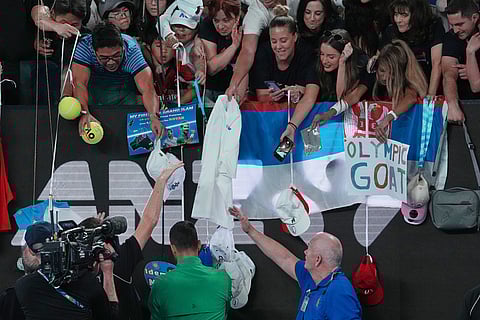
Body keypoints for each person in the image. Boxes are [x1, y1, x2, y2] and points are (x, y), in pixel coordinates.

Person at [78, 161, 184, 320]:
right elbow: (149, 220)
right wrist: (161, 180)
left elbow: (150, 220)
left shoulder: (77, 274)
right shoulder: (119, 261)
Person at [228, 206, 362, 320]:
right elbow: (284, 258)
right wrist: (250, 230)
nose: (305, 252)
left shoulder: (339, 292)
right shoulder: (312, 277)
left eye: (309, 249)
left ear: (317, 260)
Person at [72, 22, 164, 136]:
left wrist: (153, 116)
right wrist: (84, 113)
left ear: (122, 48)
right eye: (104, 58)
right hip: (93, 92)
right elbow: (79, 83)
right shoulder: (85, 47)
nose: (111, 62)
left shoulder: (131, 50)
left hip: (123, 93)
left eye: (116, 55)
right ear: (94, 51)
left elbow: (148, 89)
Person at [15, 222, 120, 320]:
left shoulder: (23, 286)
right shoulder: (88, 283)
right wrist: (107, 272)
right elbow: (111, 316)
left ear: (29, 250)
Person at [249, 7, 320, 144]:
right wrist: (274, 97)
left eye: (283, 40)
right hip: (272, 119)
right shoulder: (263, 53)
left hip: (303, 118)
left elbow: (310, 96)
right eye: (274, 41)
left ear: (295, 37)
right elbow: (261, 96)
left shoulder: (307, 53)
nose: (278, 46)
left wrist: (298, 93)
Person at [149, 220, 232, 320]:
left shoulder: (160, 285)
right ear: (199, 244)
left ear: (173, 248)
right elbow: (225, 312)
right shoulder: (223, 279)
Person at [225, 0, 300, 101]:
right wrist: (233, 85)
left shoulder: (297, 3)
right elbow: (247, 51)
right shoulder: (256, 11)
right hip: (269, 65)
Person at [310, 29, 373, 126]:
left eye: (331, 57)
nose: (324, 61)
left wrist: (342, 62)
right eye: (322, 54)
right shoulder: (318, 65)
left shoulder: (361, 66)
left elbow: (342, 97)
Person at [381, 0, 445, 96]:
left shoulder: (434, 27)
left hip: (429, 84)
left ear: (416, 15)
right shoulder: (390, 31)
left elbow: (437, 63)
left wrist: (430, 97)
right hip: (402, 88)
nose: (398, 20)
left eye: (404, 15)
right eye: (396, 14)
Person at [374, 39, 428, 143]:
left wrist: (388, 117)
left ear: (398, 72)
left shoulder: (408, 81)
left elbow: (411, 98)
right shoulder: (375, 79)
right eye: (382, 71)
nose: (384, 77)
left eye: (391, 73)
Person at [442, 0, 480, 122]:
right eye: (452, 25)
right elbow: (449, 74)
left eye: (460, 24)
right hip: (467, 103)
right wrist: (452, 105)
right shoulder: (451, 37)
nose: (456, 30)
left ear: (474, 18)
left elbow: (476, 85)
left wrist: (472, 70)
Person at [199, 0, 243, 103]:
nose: (220, 26)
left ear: (237, 18)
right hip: (211, 90)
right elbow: (211, 68)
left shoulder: (247, 26)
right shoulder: (207, 25)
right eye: (216, 20)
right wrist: (234, 46)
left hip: (237, 89)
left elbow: (245, 68)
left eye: (226, 20)